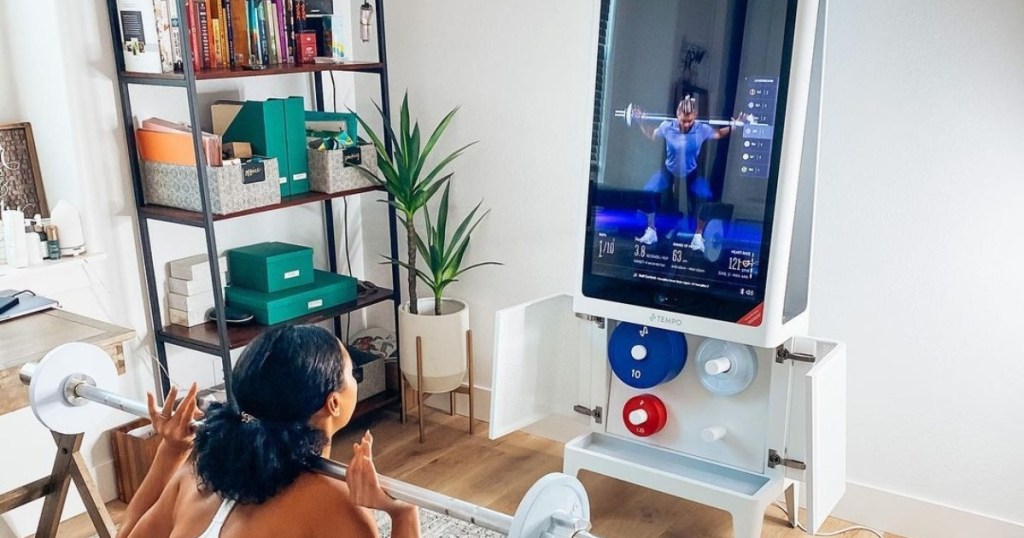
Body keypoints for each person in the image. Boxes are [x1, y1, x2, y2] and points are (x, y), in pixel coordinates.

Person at [117, 325, 420, 538]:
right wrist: (402, 511)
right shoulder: (331, 501)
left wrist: (171, 449)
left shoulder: (197, 474)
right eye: (352, 372)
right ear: (334, 403)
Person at [633, 96, 739, 250]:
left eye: (689, 121)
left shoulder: (701, 129)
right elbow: (652, 134)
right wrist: (640, 121)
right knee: (650, 191)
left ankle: (698, 236)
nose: (686, 124)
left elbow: (718, 134)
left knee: (705, 196)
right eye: (683, 120)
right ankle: (651, 231)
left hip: (691, 170)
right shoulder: (666, 126)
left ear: (695, 117)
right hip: (670, 168)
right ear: (677, 115)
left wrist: (733, 127)